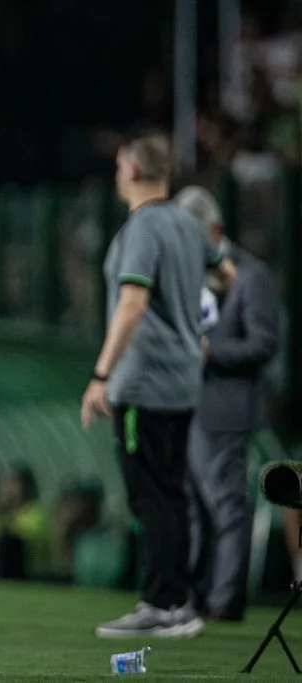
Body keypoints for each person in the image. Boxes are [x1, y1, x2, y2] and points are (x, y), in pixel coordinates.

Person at [81, 132, 236, 639]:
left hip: (143, 383)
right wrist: (192, 328)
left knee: (151, 498)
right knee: (171, 494)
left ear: (128, 169)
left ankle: (161, 602)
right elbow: (227, 273)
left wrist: (102, 374)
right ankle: (179, 604)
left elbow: (132, 303)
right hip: (183, 381)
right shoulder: (188, 225)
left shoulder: (143, 227)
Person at [173, 185, 280, 622]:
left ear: (214, 229)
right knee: (194, 507)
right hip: (188, 405)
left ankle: (225, 601)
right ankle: (195, 595)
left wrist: (210, 351)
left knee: (227, 506)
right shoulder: (192, 276)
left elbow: (264, 342)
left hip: (227, 408)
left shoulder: (251, 275)